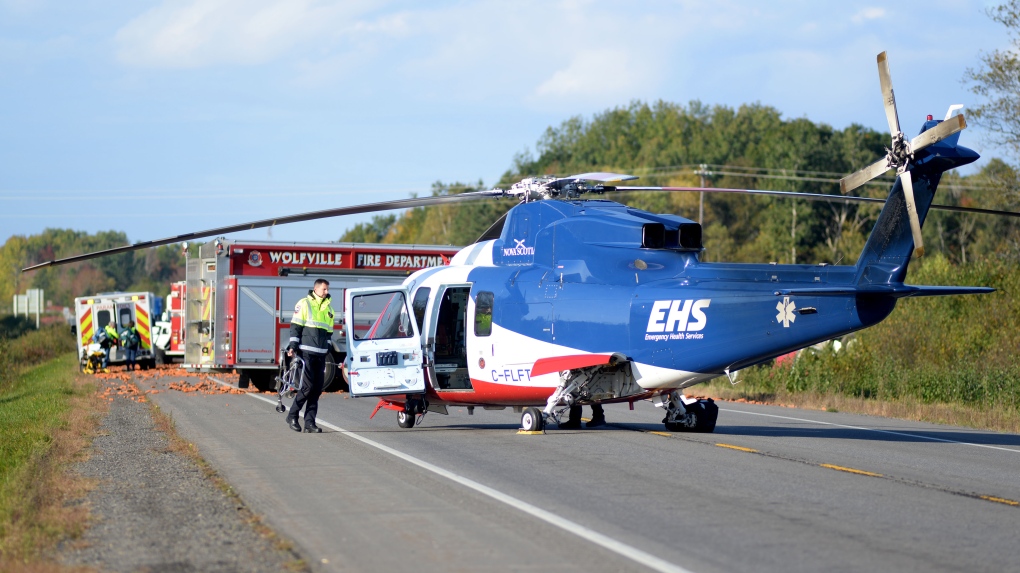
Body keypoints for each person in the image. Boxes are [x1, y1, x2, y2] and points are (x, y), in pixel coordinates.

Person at [285, 278, 334, 434]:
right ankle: (292, 415)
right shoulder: (304, 304)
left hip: (320, 355)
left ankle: (309, 423)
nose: (327, 292)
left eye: (327, 289)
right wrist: (293, 347)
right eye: (324, 289)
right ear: (316, 289)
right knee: (307, 387)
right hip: (305, 352)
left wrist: (328, 348)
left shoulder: (329, 309)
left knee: (316, 390)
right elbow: (296, 327)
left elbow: (329, 333)